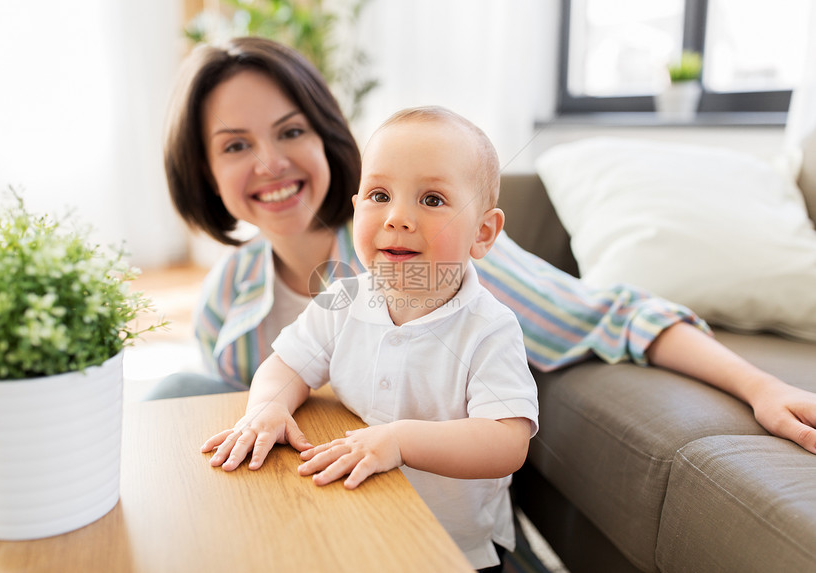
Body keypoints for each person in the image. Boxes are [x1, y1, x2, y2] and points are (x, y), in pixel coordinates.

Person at [157, 36, 816, 460]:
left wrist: (758, 385)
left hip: (418, 504)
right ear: (205, 171)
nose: (269, 163)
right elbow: (246, 400)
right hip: (310, 490)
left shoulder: (437, 262)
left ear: (327, 136)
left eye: (289, 131)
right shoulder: (227, 294)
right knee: (177, 390)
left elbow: (612, 314)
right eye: (236, 145)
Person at [202, 106, 539, 570]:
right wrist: (268, 407)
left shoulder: (489, 329)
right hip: (359, 519)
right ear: (357, 208)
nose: (398, 217)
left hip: (455, 545)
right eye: (380, 194)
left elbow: (506, 443)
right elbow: (287, 364)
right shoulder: (343, 299)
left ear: (482, 233)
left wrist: (400, 440)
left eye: (433, 200)